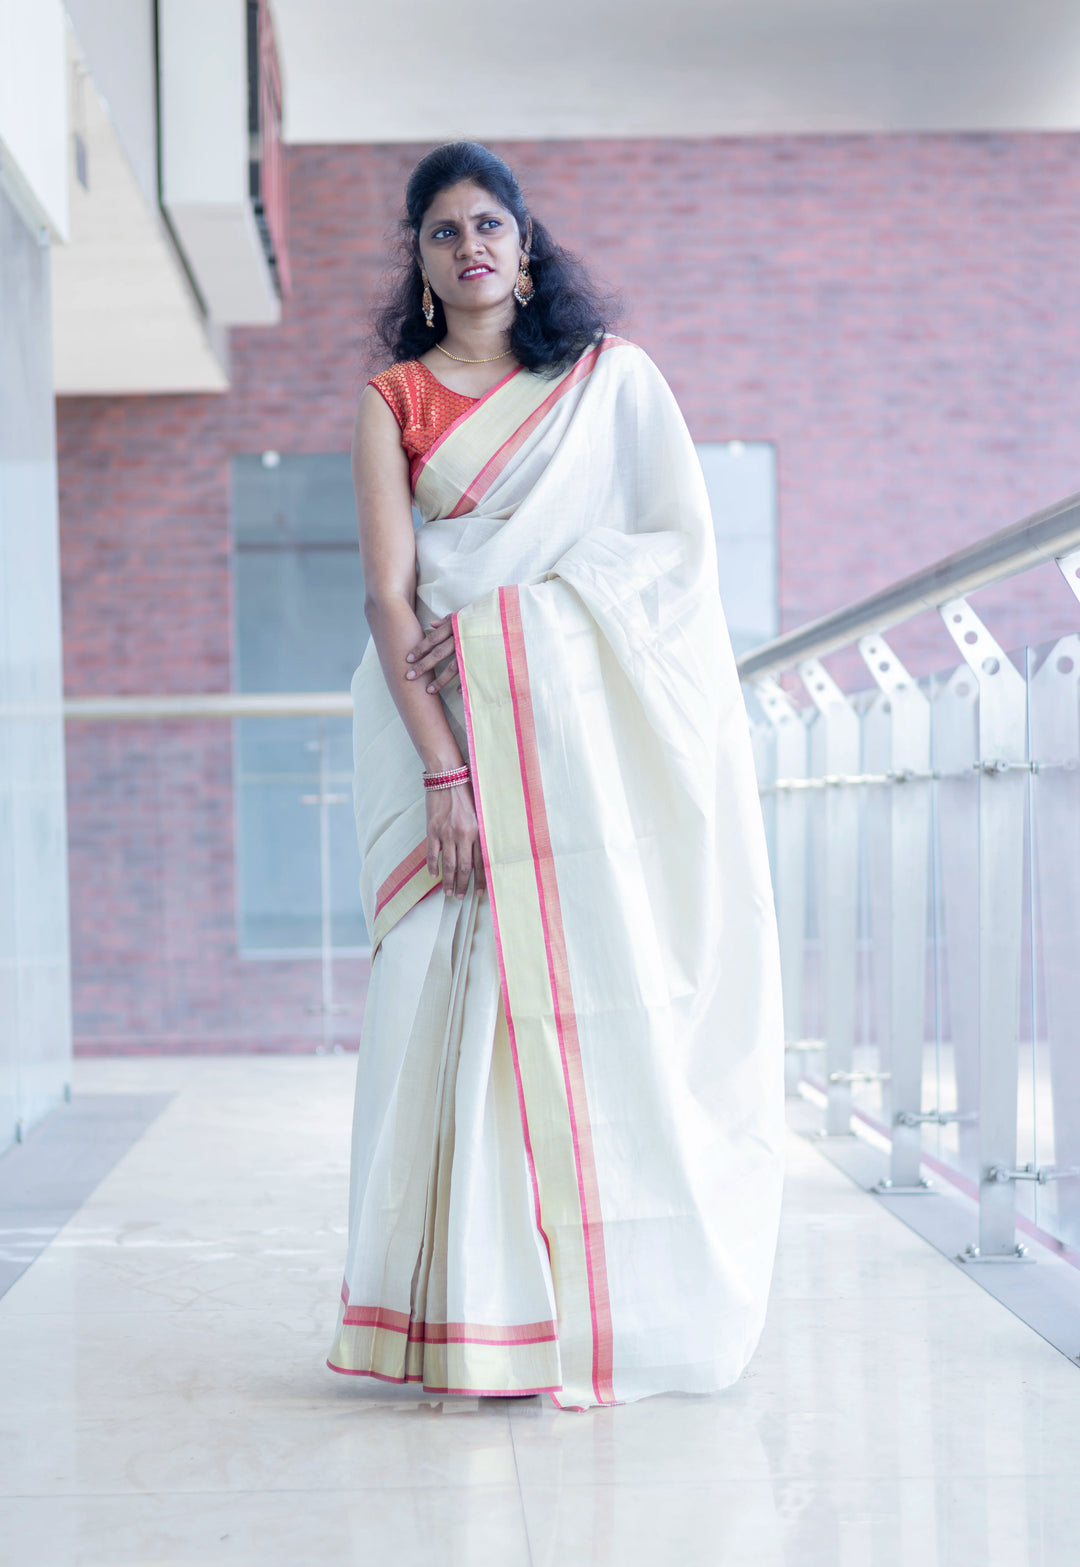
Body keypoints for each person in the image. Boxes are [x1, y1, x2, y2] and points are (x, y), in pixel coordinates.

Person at [326, 141, 784, 1410]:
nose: (469, 246)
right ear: (419, 262)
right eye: (442, 232)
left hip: (575, 742)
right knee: (438, 997)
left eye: (489, 225)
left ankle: (587, 1315)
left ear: (525, 247)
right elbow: (389, 597)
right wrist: (445, 774)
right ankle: (459, 1320)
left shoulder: (609, 385)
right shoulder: (392, 399)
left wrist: (516, 623)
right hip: (438, 728)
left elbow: (674, 559)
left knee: (584, 998)